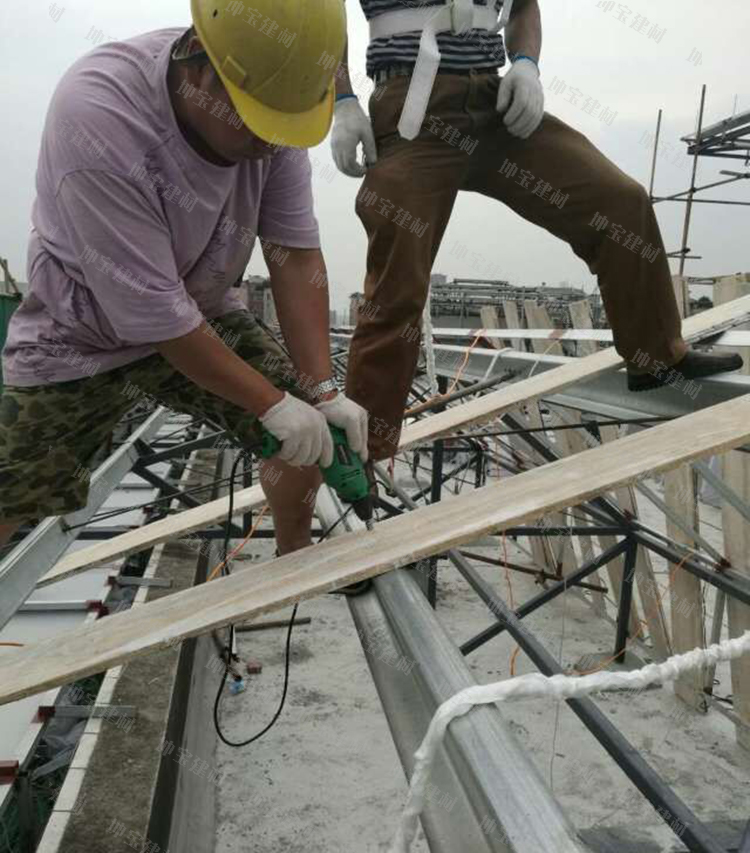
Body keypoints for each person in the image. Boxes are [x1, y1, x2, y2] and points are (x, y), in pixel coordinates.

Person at [0, 0, 369, 562]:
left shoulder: (277, 102)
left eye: (282, 129)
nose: (270, 143)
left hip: (202, 308)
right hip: (80, 331)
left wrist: (320, 390)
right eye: (256, 123)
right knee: (15, 485)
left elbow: (293, 253)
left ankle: (297, 562)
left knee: (309, 433)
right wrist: (269, 404)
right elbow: (155, 314)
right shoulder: (100, 115)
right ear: (199, 63)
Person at [331, 0, 742, 463]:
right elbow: (321, 14)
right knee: (397, 282)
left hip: (496, 104)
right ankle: (363, 458)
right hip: (412, 111)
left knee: (619, 202)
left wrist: (526, 65)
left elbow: (524, 5)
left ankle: (656, 357)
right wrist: (342, 99)